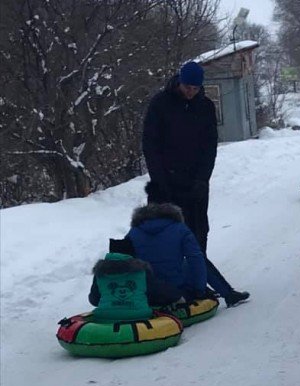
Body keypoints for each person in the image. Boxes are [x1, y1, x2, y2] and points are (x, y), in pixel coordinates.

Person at [142, 61, 249, 306]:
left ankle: (197, 283)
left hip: (195, 183)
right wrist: (160, 180)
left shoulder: (205, 106)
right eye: (187, 87)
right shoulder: (161, 104)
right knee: (166, 237)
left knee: (199, 235)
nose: (191, 92)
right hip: (165, 183)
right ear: (179, 82)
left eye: (196, 88)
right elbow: (150, 145)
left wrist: (203, 178)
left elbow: (210, 145)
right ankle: (165, 287)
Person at [88, 252, 178, 322]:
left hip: (105, 318)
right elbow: (157, 292)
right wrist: (176, 296)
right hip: (139, 317)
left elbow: (94, 300)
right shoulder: (142, 272)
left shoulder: (100, 274)